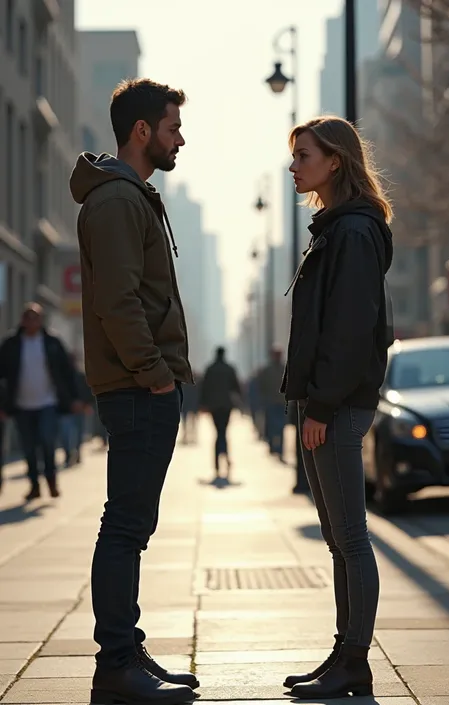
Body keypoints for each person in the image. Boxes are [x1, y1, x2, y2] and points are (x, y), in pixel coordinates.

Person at [69, 79, 198, 705]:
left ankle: (127, 652)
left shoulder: (128, 197)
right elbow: (119, 303)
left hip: (139, 386)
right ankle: (117, 664)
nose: (180, 138)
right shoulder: (119, 201)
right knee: (124, 527)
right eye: (172, 127)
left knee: (130, 525)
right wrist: (154, 373)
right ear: (141, 131)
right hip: (137, 388)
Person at [281, 116, 393, 700]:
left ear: (335, 162)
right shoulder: (336, 227)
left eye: (304, 155)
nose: (295, 165)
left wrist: (320, 405)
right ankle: (344, 652)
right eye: (295, 155)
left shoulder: (350, 232)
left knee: (351, 537)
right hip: (325, 401)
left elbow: (350, 329)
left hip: (339, 406)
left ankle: (355, 660)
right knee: (339, 538)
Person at [0, 303, 80, 500]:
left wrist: (74, 399)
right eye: (27, 317)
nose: (31, 321)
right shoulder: (11, 344)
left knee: (47, 441)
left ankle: (51, 481)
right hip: (21, 404)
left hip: (48, 402)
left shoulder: (52, 342)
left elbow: (67, 373)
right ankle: (34, 485)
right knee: (28, 446)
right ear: (22, 320)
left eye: (35, 317)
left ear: (41, 320)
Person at [200, 347, 241, 480]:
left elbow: (204, 388)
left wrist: (203, 404)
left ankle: (218, 463)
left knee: (218, 432)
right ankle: (225, 457)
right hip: (226, 405)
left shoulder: (210, 369)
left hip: (214, 406)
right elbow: (236, 387)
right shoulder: (229, 369)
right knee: (223, 432)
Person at [258, 346, 286, 462]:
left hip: (280, 402)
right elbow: (261, 386)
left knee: (280, 427)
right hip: (271, 402)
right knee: (271, 425)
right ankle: (272, 446)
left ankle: (279, 449)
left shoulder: (284, 369)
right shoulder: (267, 370)